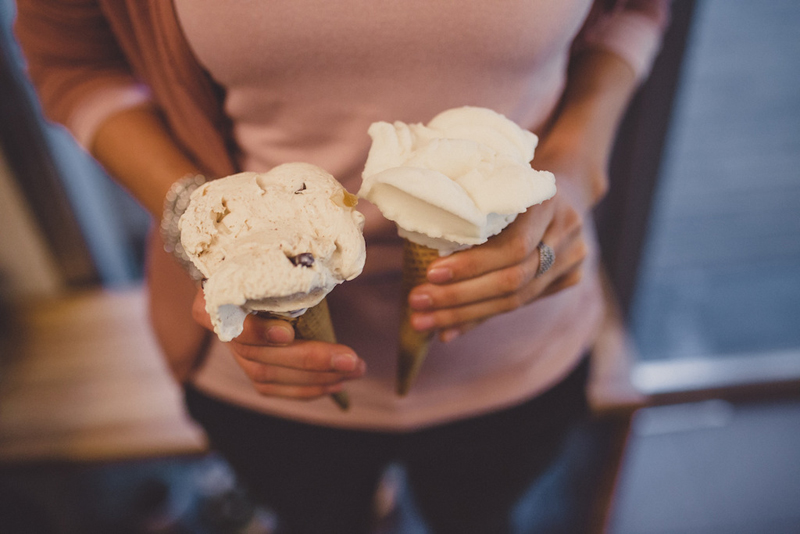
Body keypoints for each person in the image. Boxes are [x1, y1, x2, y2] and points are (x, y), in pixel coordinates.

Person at [15, 1, 671, 532]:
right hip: (263, 364)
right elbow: (75, 62)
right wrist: (202, 219)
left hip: (520, 343)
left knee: (477, 516)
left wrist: (578, 165)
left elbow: (632, 12)